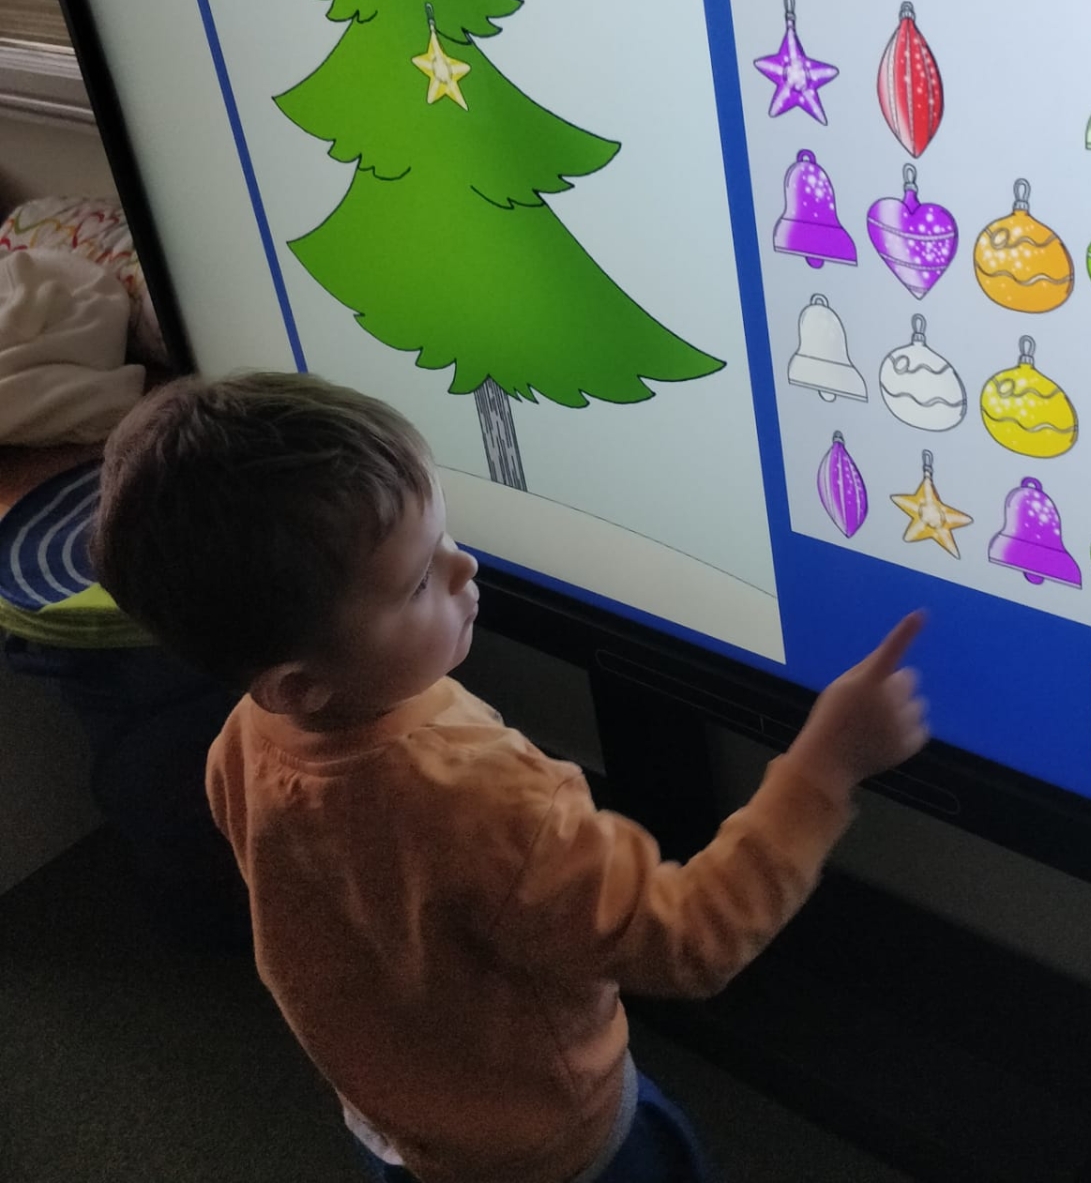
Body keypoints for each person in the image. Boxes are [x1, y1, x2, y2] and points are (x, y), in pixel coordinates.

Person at [92, 371, 929, 1183]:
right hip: (557, 1149)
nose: (465, 569)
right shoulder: (483, 804)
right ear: (301, 683)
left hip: (396, 1123)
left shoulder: (247, 737)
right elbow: (686, 941)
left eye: (445, 535)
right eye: (418, 582)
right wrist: (826, 766)